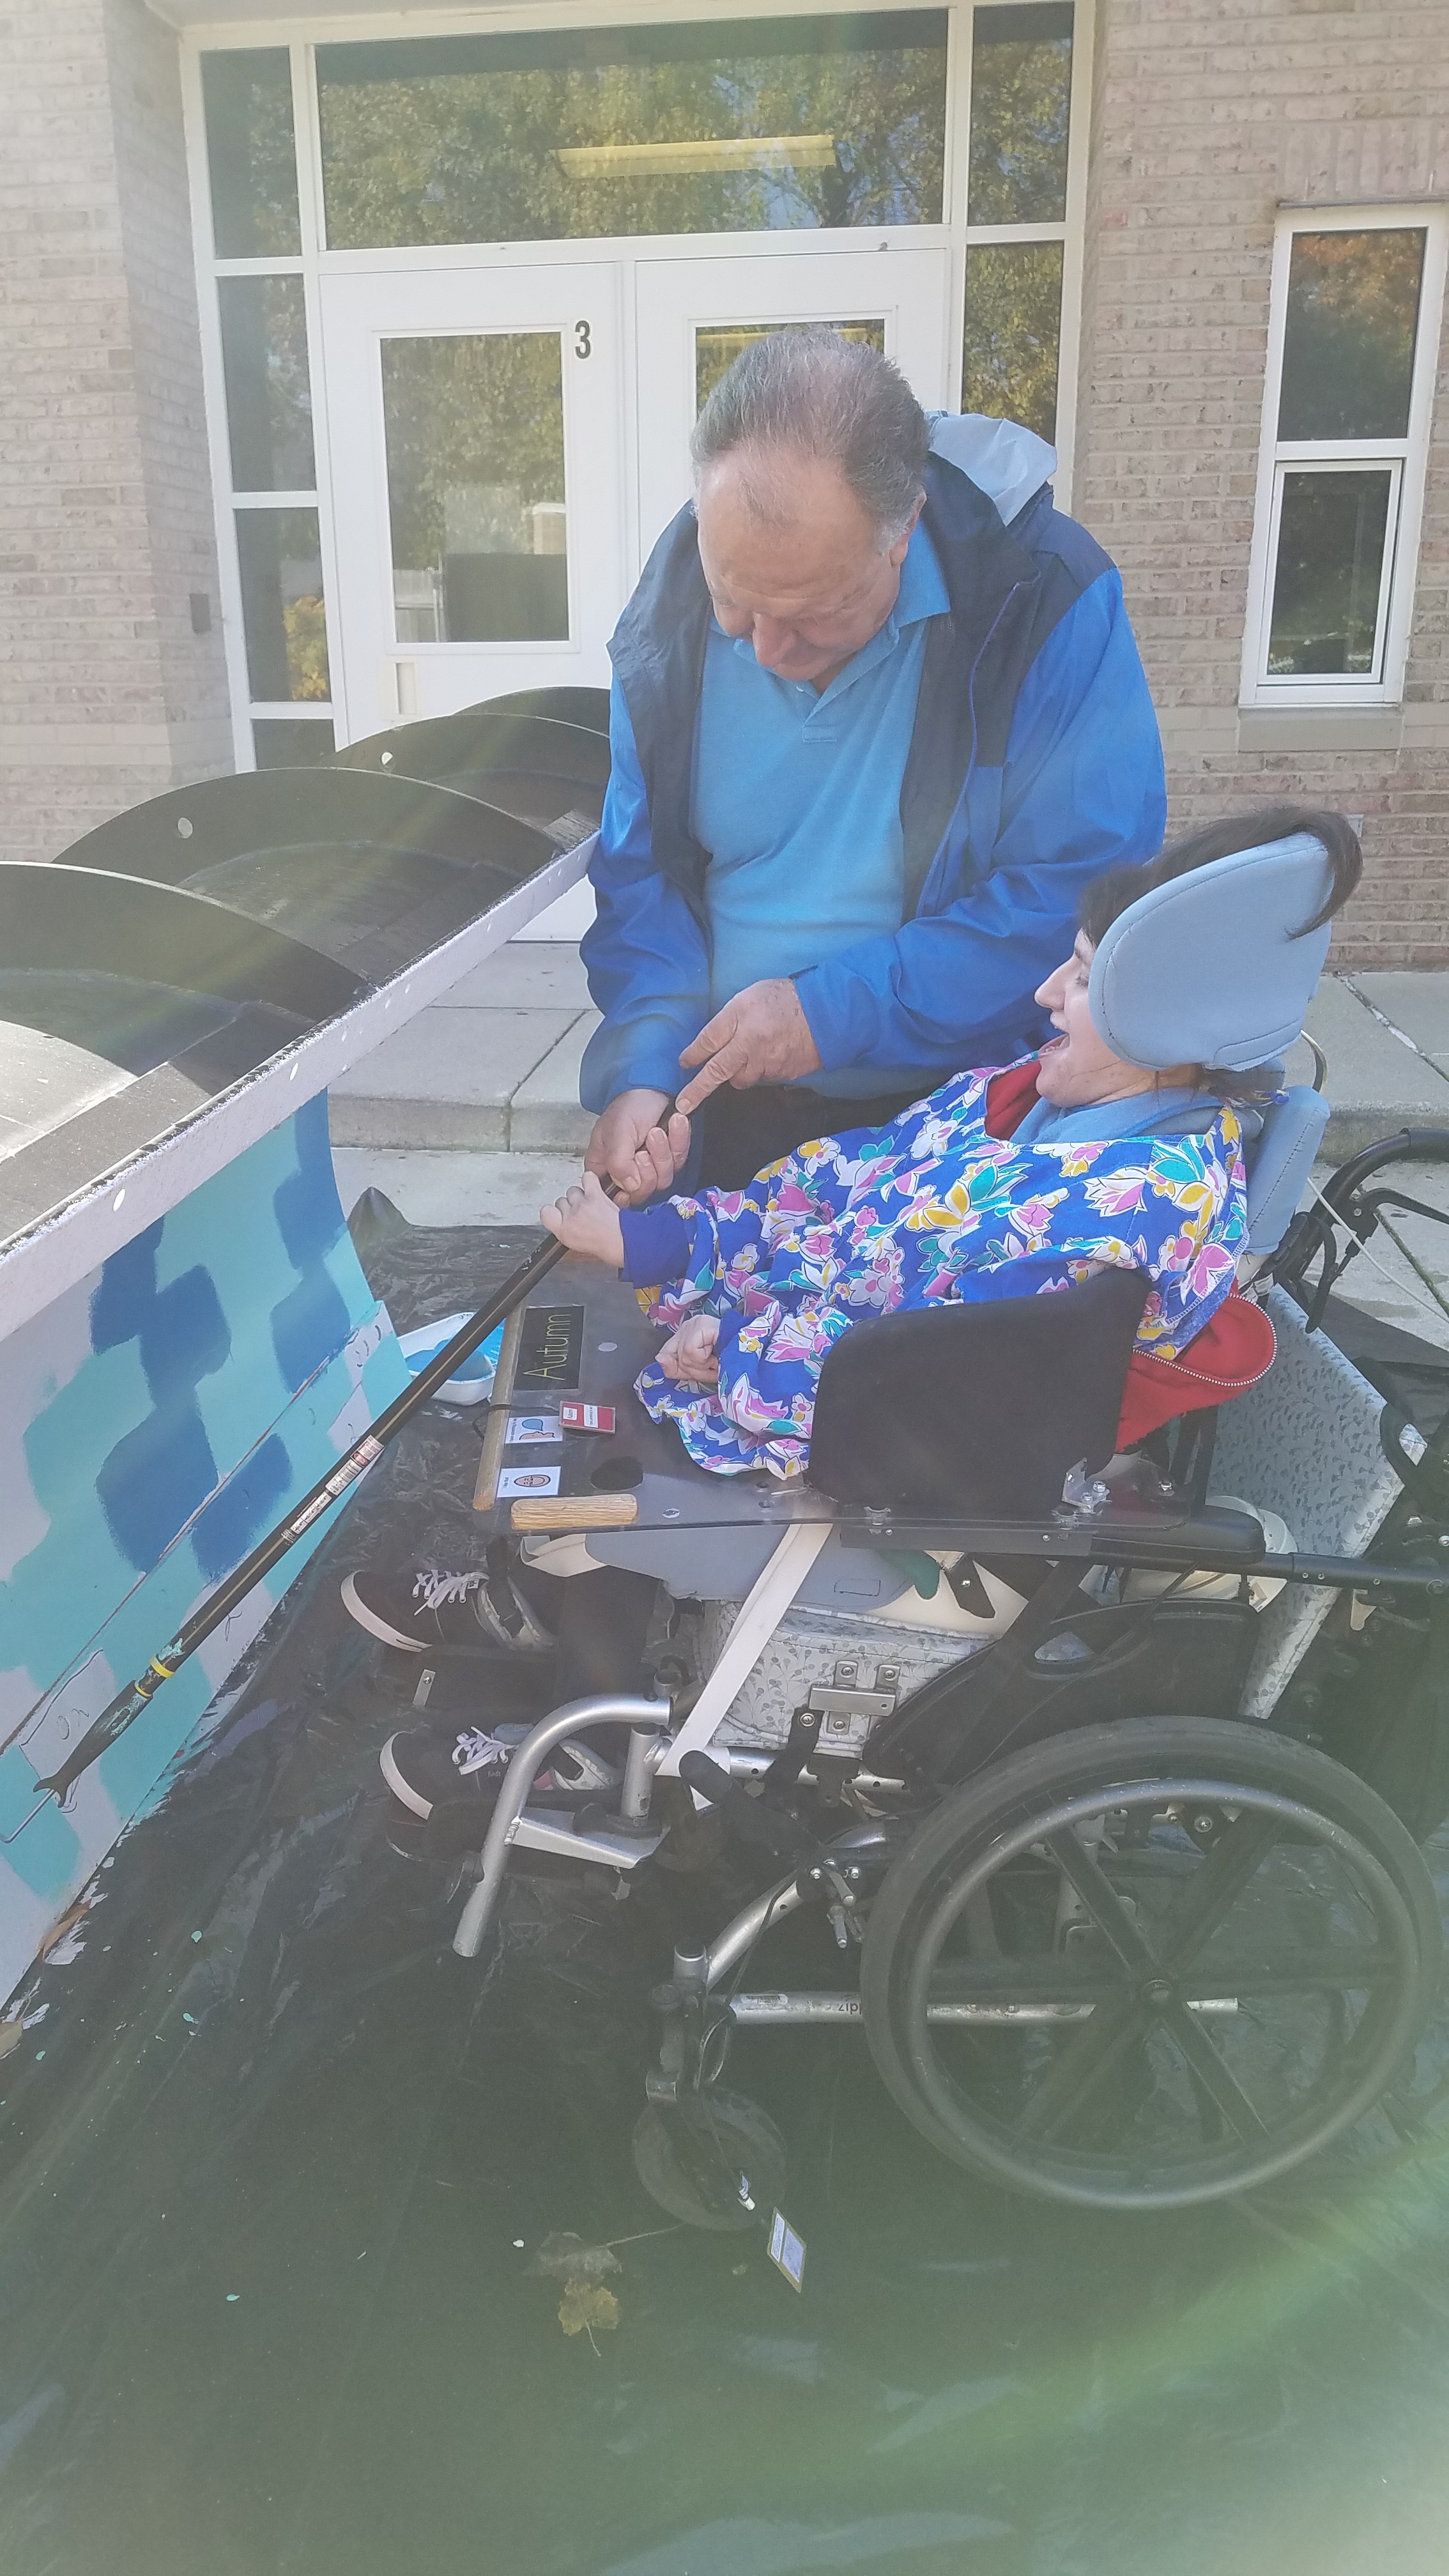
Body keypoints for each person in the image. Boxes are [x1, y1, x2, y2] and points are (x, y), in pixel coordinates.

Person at [546, 806, 1361, 1478]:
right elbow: (832, 1191)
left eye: (1080, 980)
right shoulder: (1022, 1102)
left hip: (874, 1460)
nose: (1045, 994)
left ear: (1160, 1016)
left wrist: (733, 1350)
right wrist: (654, 1237)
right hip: (788, 1368)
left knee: (578, 1518)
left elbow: (921, 1379)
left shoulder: (1124, 1213)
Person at [581, 328, 1167, 1202]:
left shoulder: (1044, 601)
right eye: (736, 602)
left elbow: (1078, 891)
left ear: (904, 534)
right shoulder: (667, 623)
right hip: (727, 1118)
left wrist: (833, 1013)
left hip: (957, 1120)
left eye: (813, 611)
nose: (767, 649)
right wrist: (646, 1067)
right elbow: (643, 885)